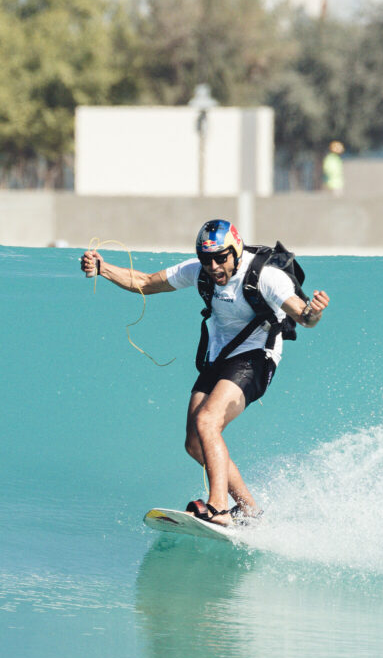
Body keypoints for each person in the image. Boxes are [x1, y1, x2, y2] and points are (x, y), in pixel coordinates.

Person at [80, 220, 330, 525]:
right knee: (194, 443)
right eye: (206, 259)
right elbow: (145, 282)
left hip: (257, 356)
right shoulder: (199, 270)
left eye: (220, 258)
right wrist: (103, 268)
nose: (213, 266)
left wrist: (313, 311)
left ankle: (219, 507)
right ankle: (249, 510)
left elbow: (303, 317)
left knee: (207, 420)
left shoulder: (266, 277)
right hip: (221, 357)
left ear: (236, 250)